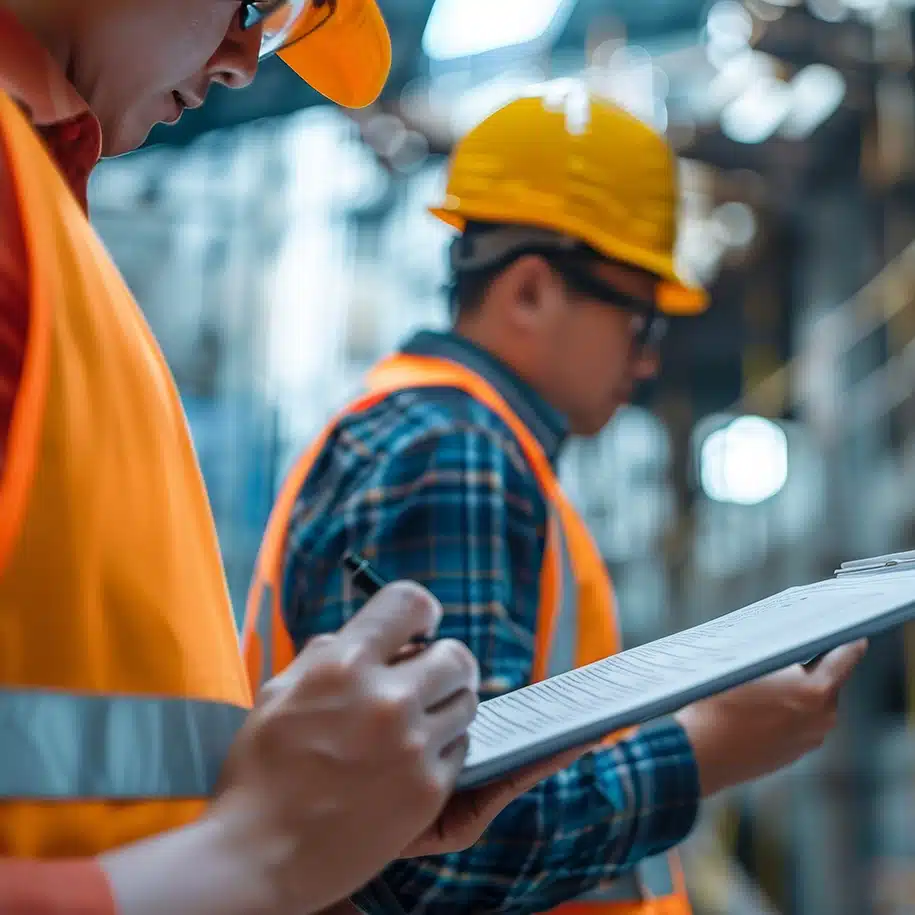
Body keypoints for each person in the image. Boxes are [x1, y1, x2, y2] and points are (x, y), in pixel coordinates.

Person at [0, 3, 580, 913]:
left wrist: (310, 813)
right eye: (252, 3)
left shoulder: (46, 218)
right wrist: (254, 855)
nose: (240, 61)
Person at [242, 89, 868, 915]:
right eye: (639, 324)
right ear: (531, 290)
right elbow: (433, 853)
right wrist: (704, 747)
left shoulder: (452, 439)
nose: (646, 364)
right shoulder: (452, 450)